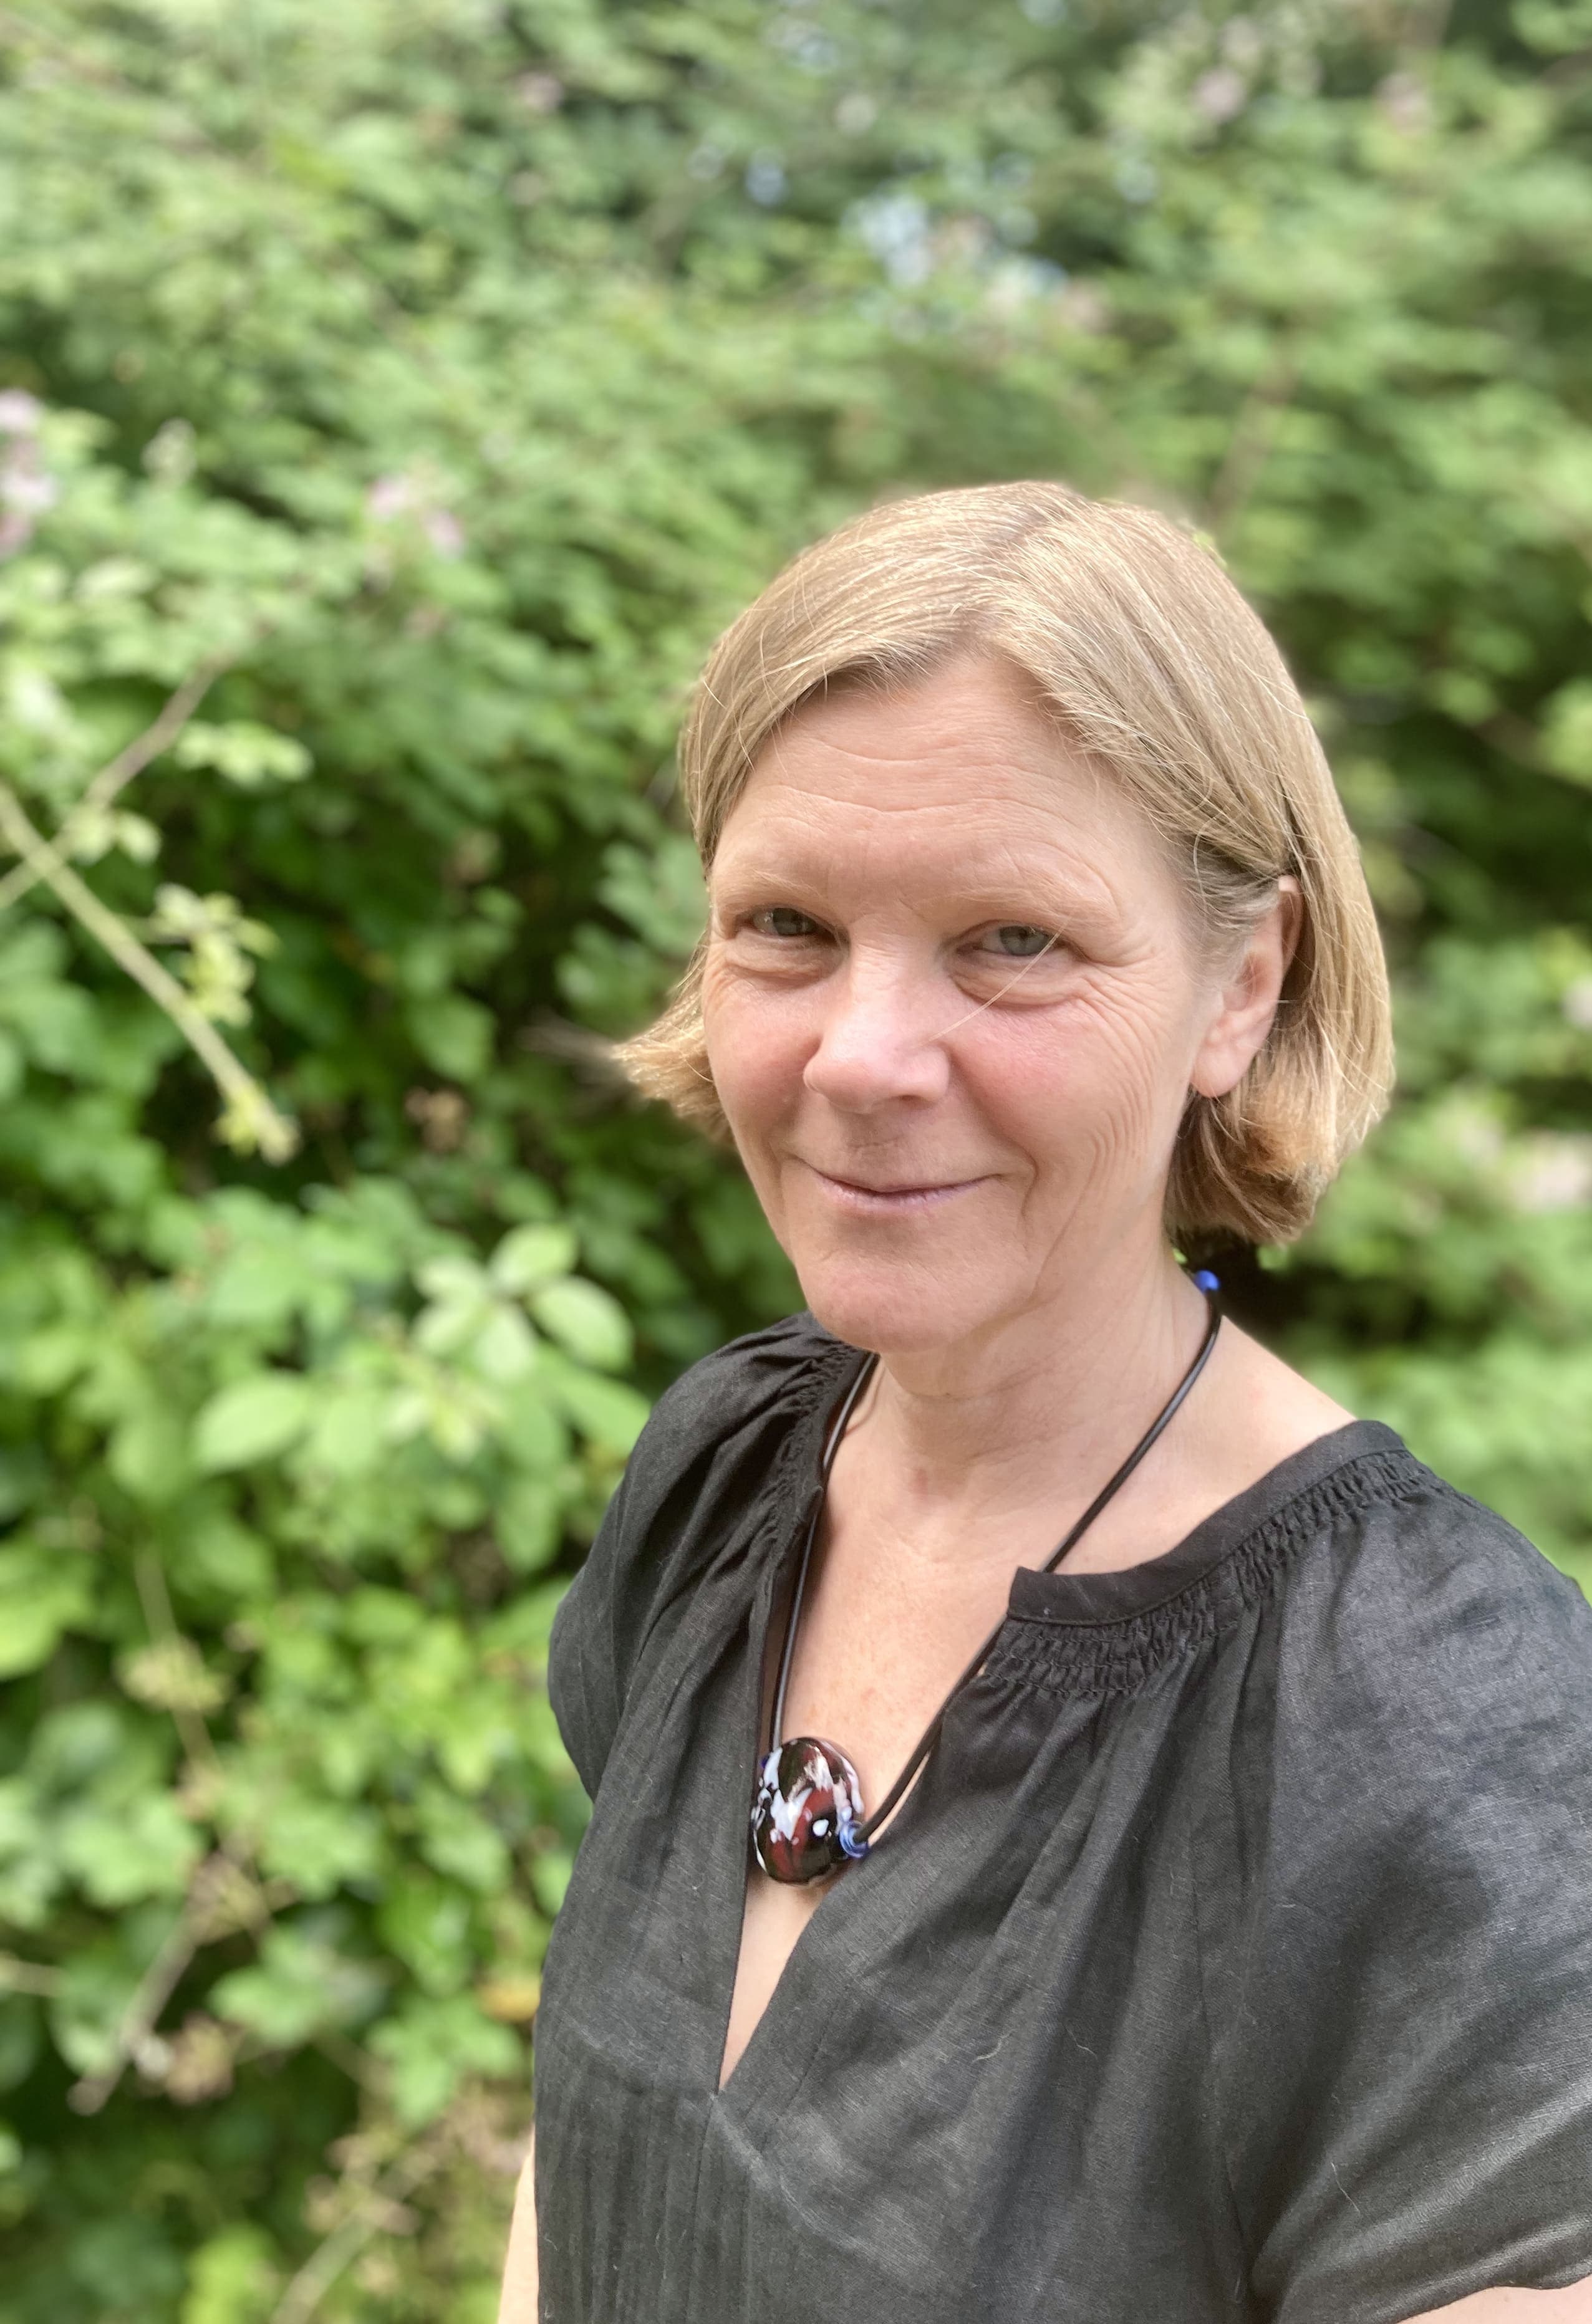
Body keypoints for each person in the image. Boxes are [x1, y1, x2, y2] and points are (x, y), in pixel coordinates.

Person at [496, 484, 1592, 2324]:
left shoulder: (1437, 1720)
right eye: (784, 924)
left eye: (1010, 941)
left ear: (1240, 989)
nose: (861, 1057)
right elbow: (584, 2173)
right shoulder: (724, 1471)